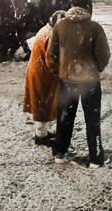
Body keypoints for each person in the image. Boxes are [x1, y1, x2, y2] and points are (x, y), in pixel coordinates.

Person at [47, 0, 110, 168]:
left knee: (64, 119)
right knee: (93, 120)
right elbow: (103, 55)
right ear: (87, 5)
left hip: (67, 81)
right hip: (90, 82)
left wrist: (59, 71)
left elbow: (51, 54)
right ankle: (95, 159)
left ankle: (60, 153)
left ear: (71, 5)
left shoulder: (60, 26)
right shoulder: (94, 27)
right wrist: (96, 68)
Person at [23, 10, 66, 146]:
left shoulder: (45, 29)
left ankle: (42, 133)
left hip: (37, 70)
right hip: (42, 75)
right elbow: (51, 60)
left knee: (40, 104)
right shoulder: (52, 35)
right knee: (42, 105)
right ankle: (41, 137)